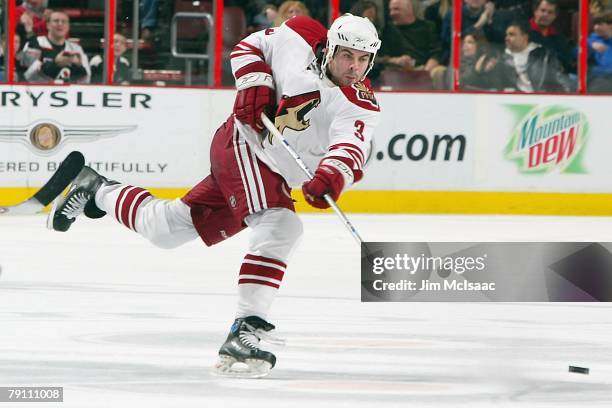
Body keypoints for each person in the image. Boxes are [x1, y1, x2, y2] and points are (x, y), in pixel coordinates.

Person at [47, 14, 381, 378]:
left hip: (269, 169)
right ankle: (245, 329)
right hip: (243, 144)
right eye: (347, 55)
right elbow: (250, 46)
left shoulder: (359, 102)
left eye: (364, 59)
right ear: (329, 47)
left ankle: (95, 189)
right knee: (281, 226)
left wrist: (331, 176)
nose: (354, 67)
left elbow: (351, 145)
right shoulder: (299, 36)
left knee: (165, 229)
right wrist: (256, 81)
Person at [497, 21, 571, 92]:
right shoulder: (502, 58)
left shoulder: (544, 55)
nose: (507, 38)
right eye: (506, 35)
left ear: (525, 37)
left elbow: (563, 80)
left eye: (512, 34)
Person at [20, 10, 90, 83]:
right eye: (56, 21)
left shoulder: (76, 48)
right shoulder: (35, 42)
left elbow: (86, 80)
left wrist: (79, 66)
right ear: (47, 25)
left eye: (64, 21)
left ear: (68, 26)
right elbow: (29, 76)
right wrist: (55, 64)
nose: (60, 24)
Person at [528, 0, 574, 73]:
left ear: (554, 16)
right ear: (535, 11)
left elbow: (566, 61)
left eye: (550, 12)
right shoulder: (523, 31)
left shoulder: (559, 37)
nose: (545, 15)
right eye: (543, 10)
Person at [588, 12, 612, 91]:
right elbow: (576, 53)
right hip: (598, 79)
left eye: (600, 24)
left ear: (610, 25)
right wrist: (590, 46)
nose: (596, 27)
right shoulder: (592, 39)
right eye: (595, 24)